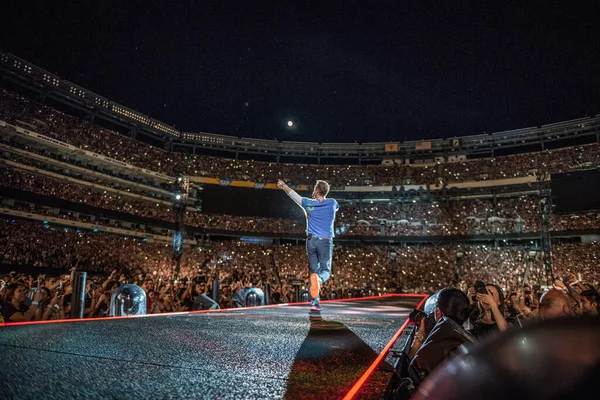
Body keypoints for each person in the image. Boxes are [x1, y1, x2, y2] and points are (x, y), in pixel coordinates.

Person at [278, 179, 339, 311]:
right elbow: (336, 208)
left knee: (314, 272)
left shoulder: (307, 203)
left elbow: (295, 196)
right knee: (325, 272)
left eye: (315, 188)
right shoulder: (333, 203)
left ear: (317, 190)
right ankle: (319, 282)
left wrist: (284, 186)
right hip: (325, 241)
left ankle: (315, 302)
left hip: (311, 241)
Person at [409, 287, 477, 378]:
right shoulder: (469, 338)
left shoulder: (437, 344)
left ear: (438, 313)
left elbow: (411, 372)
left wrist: (419, 339)